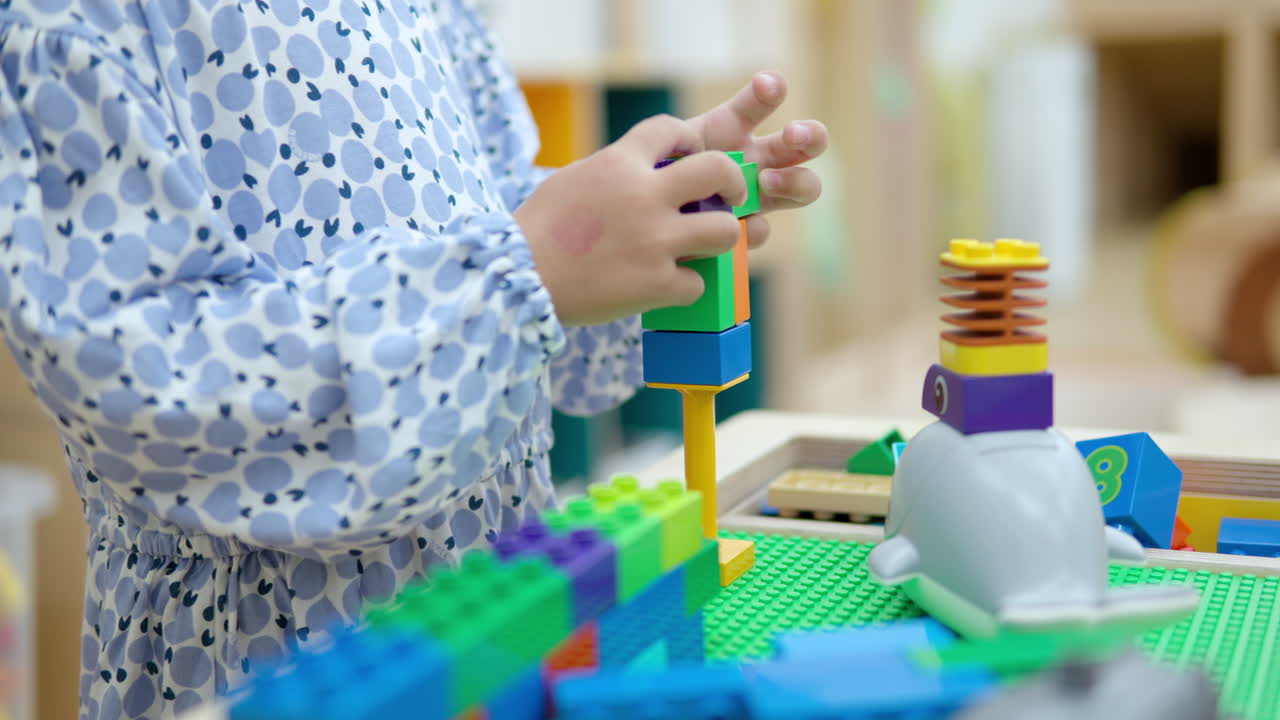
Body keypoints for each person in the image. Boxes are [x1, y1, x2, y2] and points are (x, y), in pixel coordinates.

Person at [0, 1, 826, 717]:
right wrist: (528, 269)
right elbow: (131, 370)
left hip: (499, 605)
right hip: (265, 655)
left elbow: (494, 214)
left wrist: (638, 225)